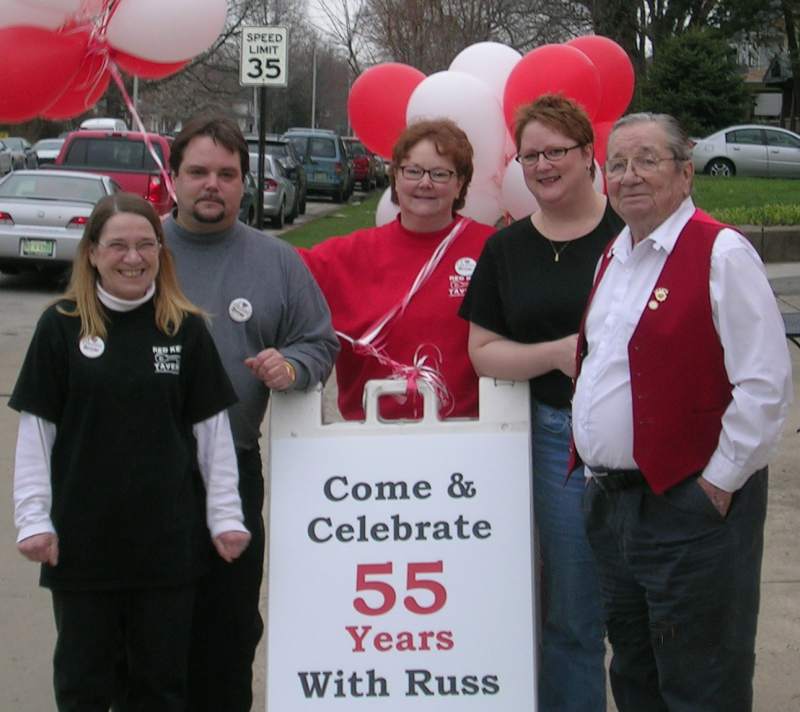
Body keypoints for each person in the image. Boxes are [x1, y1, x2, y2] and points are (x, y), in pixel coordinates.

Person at [572, 112, 793, 712]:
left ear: (685, 172)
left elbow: (765, 384)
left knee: (701, 684)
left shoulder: (721, 252)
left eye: (647, 159)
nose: (629, 175)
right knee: (638, 678)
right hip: (614, 508)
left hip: (689, 511)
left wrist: (716, 486)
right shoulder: (611, 259)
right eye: (616, 164)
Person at [10, 193, 250, 711]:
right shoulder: (61, 326)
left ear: (162, 254)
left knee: (160, 686)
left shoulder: (184, 328)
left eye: (146, 245)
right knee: (83, 682)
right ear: (92, 252)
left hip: (166, 548)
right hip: (83, 546)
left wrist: (225, 517)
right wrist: (33, 519)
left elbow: (213, 435)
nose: (133, 258)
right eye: (118, 245)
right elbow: (37, 432)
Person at [162, 115, 339, 711]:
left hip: (231, 472)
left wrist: (291, 368)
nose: (212, 184)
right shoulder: (136, 249)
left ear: (244, 183)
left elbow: (319, 342)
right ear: (174, 177)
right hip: (135, 472)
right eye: (198, 172)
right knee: (145, 636)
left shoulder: (278, 263)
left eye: (227, 174)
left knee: (228, 631)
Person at [459, 94, 623, 712]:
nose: (544, 165)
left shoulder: (629, 236)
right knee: (556, 608)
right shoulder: (507, 249)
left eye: (557, 151)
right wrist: (556, 354)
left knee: (612, 611)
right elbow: (482, 351)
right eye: (531, 155)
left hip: (634, 443)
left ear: (588, 155)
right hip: (544, 436)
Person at [299, 119, 495, 421]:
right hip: (371, 441)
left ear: (460, 184)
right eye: (413, 171)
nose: (425, 183)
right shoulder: (350, 254)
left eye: (440, 173)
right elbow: (277, 273)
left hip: (465, 441)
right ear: (395, 178)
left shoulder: (491, 249)